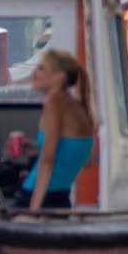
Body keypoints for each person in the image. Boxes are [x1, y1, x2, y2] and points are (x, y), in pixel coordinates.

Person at [25, 47, 95, 210]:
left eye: (41, 68)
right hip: (61, 198)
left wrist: (33, 210)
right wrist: (36, 147)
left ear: (60, 77)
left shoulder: (54, 102)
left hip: (41, 197)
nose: (34, 73)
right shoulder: (77, 105)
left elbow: (47, 161)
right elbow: (82, 159)